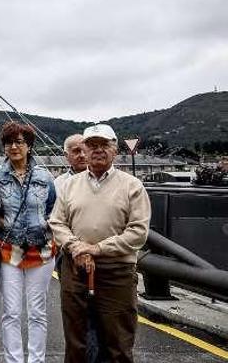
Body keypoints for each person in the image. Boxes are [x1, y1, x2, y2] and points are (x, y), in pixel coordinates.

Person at [49, 124, 151, 363]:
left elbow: (138, 232)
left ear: (114, 149)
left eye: (104, 145)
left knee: (117, 343)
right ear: (84, 149)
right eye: (92, 145)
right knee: (76, 342)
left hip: (116, 272)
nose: (97, 150)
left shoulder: (132, 186)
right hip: (75, 270)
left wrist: (97, 249)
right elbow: (57, 223)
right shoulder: (69, 186)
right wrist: (75, 247)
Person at [0, 122, 57, 363]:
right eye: (9, 142)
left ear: (29, 146)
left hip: (42, 250)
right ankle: (14, 360)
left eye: (20, 142)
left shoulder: (44, 176)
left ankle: (36, 360)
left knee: (37, 312)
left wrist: (44, 224)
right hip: (10, 249)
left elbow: (52, 207)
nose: (14, 147)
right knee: (11, 312)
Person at [53, 134, 102, 362]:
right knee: (76, 320)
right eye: (75, 151)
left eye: (85, 149)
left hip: (105, 258)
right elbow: (54, 222)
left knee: (107, 320)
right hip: (70, 260)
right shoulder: (58, 185)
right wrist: (77, 248)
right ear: (66, 156)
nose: (81, 154)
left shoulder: (109, 181)